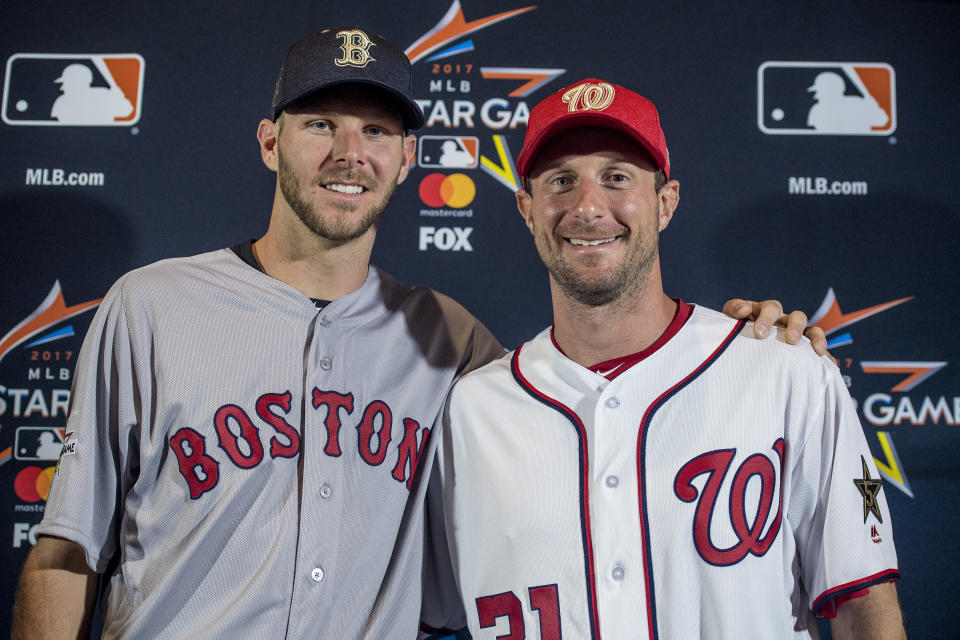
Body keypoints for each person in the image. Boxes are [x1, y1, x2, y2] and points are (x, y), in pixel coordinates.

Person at [13, 28, 826, 639]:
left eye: (375, 132)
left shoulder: (456, 345)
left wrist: (751, 345)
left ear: (408, 159)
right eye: (320, 123)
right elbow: (64, 555)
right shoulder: (150, 307)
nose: (348, 153)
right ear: (269, 142)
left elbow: (599, 423)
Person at [424, 79, 905, 639]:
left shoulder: (785, 371)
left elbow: (865, 606)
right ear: (527, 209)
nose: (587, 206)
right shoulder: (470, 411)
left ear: (665, 202)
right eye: (561, 181)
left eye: (616, 177)